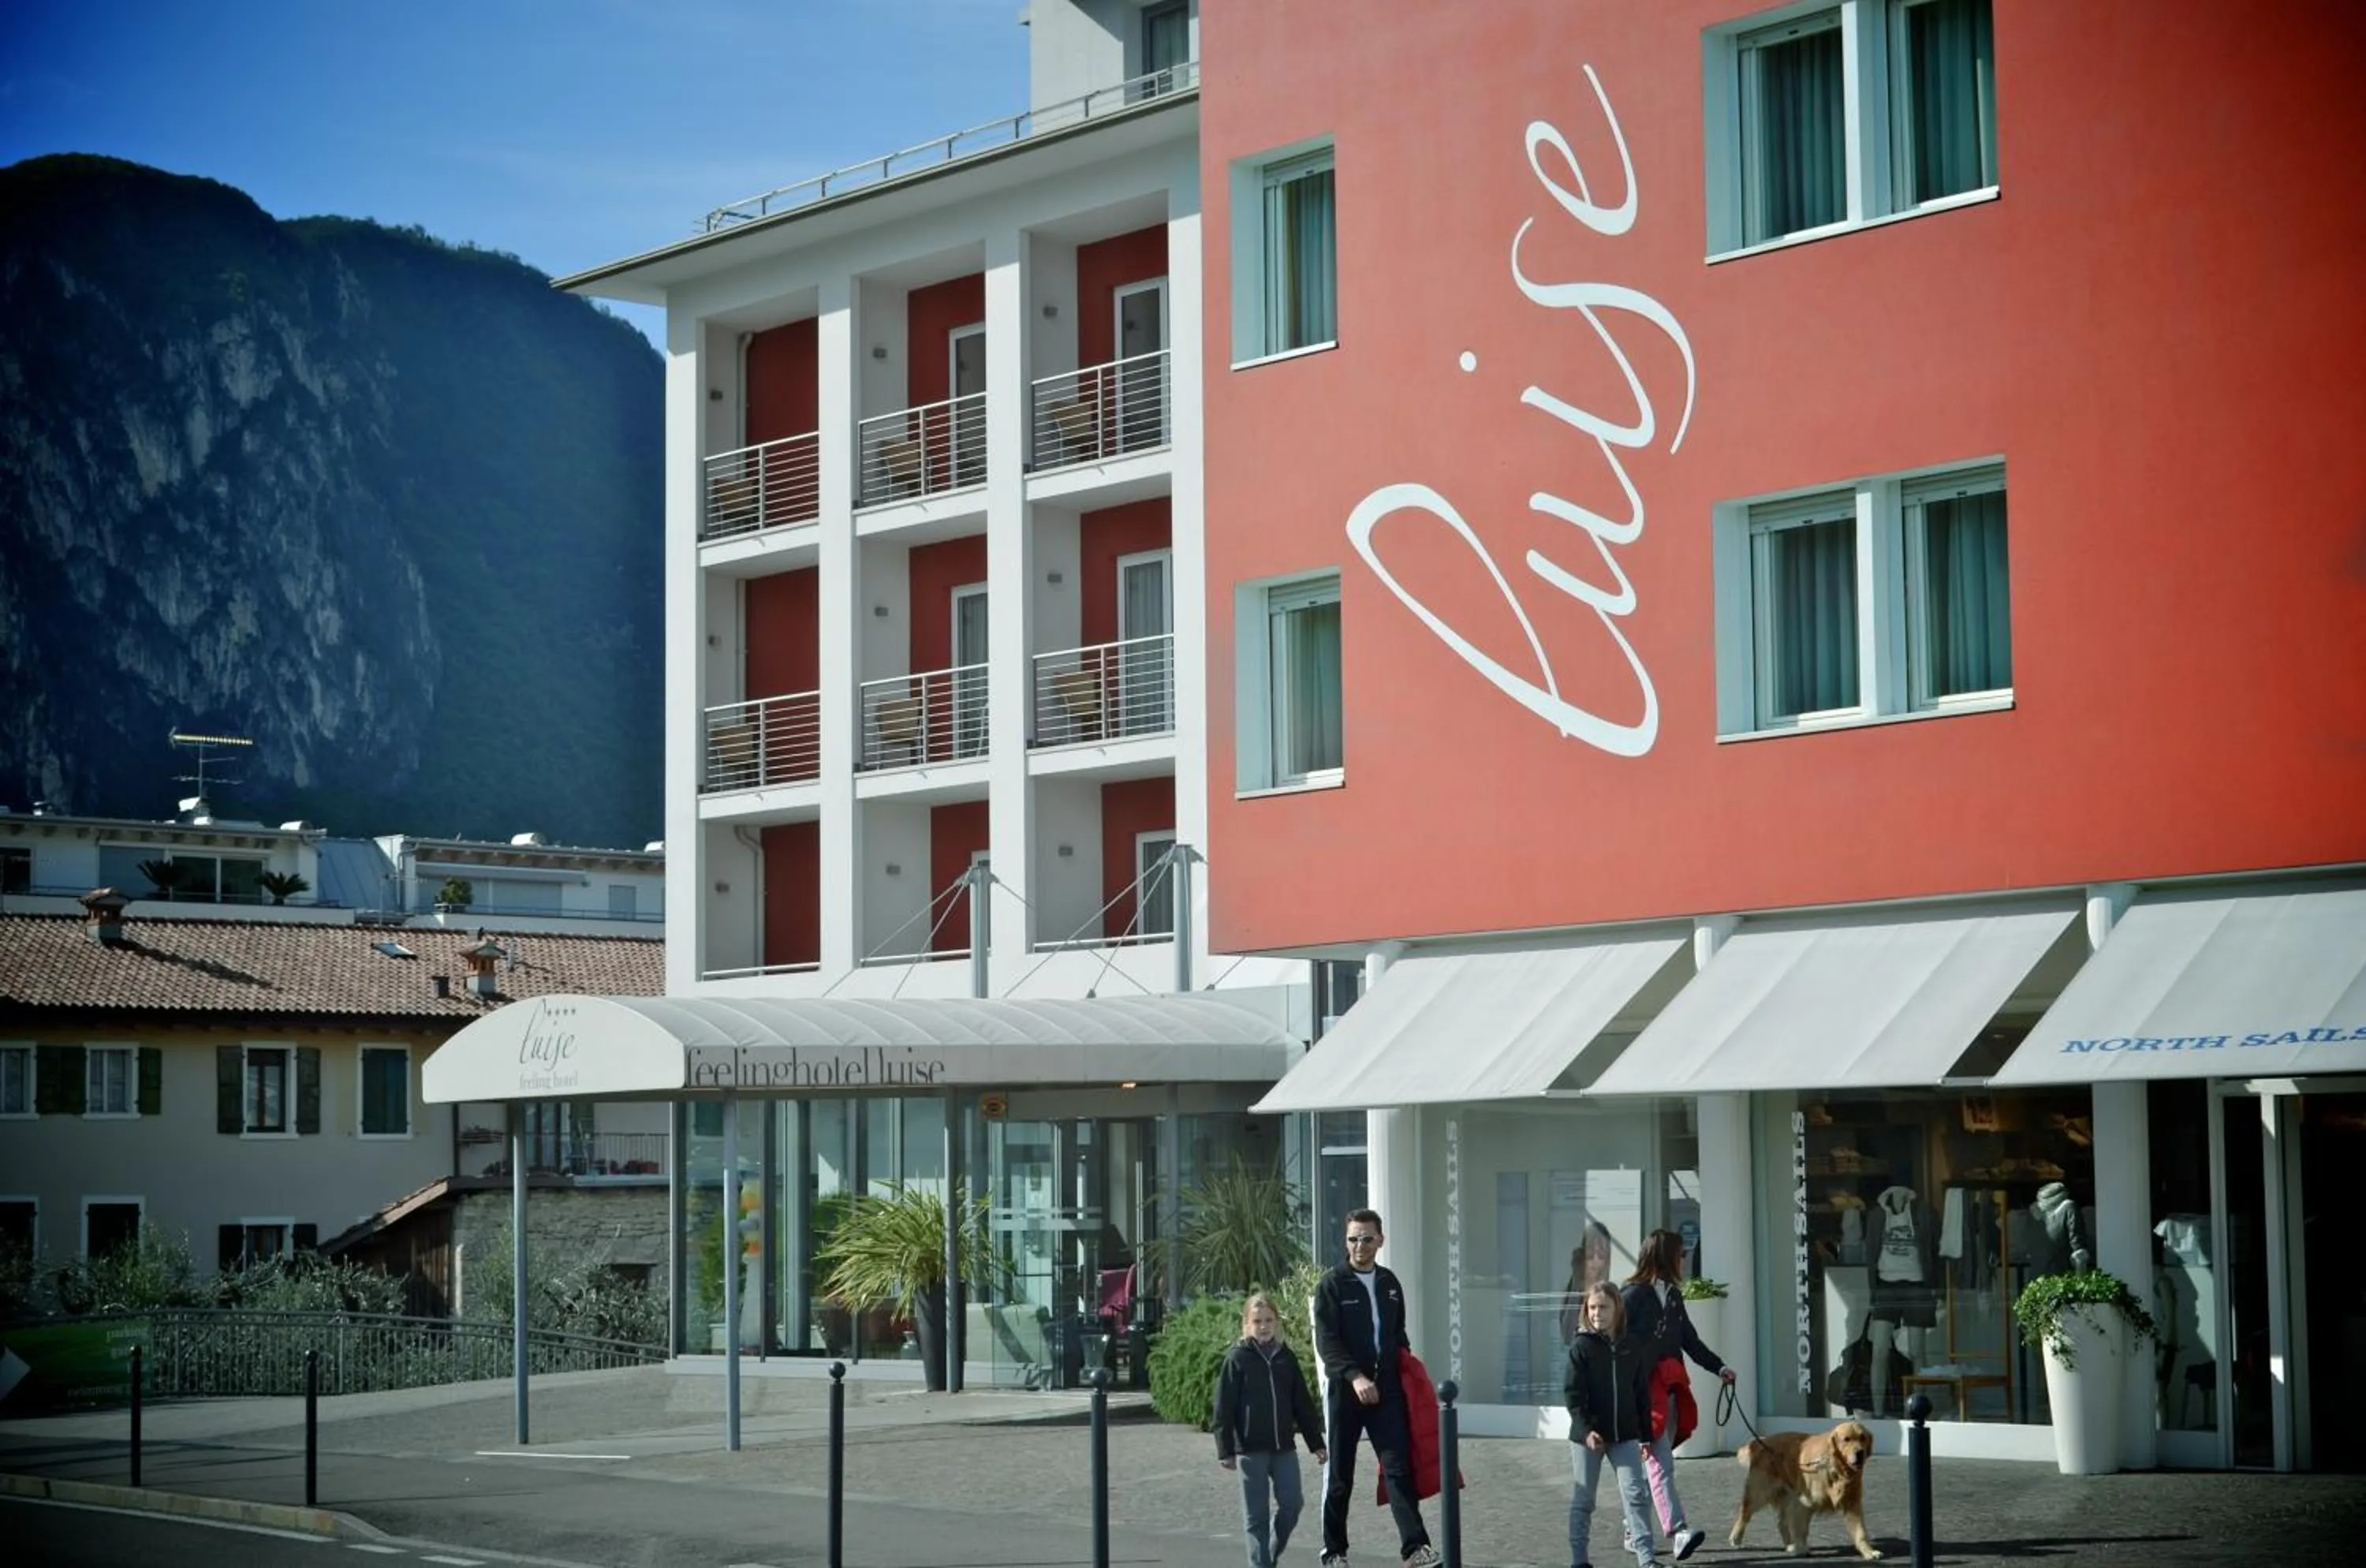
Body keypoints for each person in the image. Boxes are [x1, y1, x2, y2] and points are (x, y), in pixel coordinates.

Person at [1312, 1208, 1441, 1568]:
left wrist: (1405, 1368)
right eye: (1353, 1239)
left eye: (1367, 1238)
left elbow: (1397, 1334)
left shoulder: (1389, 1283)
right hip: (1346, 1393)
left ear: (1380, 1241)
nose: (1359, 1246)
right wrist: (1355, 1377)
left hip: (1386, 1393)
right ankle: (1334, 1551)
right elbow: (1328, 1344)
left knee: (1399, 1470)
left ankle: (1415, 1548)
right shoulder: (1332, 1285)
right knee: (1340, 1475)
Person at [1621, 1229, 1733, 1564]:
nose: (1684, 1259)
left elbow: (1690, 1341)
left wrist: (1720, 1368)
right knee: (1660, 1463)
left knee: (1651, 1466)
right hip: (1641, 1394)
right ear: (1665, 1255)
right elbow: (1616, 1345)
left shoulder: (1672, 1295)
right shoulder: (1633, 1296)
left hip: (1669, 1389)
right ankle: (1678, 1531)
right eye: (1680, 1253)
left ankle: (1632, 1529)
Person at [1215, 1292, 1329, 1568]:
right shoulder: (1237, 1359)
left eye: (1268, 1320)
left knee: (1292, 1504)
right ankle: (1261, 1564)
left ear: (1277, 1322)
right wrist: (1225, 1450)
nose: (1263, 1326)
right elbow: (1223, 1407)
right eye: (1257, 1321)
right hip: (1250, 1450)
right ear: (1246, 1324)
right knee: (1256, 1517)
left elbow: (1302, 1403)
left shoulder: (1285, 1358)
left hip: (1283, 1448)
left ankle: (1269, 1552)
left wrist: (1316, 1443)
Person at [1564, 1282, 1659, 1568]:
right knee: (1584, 1501)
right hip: (1589, 1437)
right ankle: (1579, 1561)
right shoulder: (1581, 1347)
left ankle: (1647, 1559)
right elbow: (1573, 1395)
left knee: (1636, 1496)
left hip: (1626, 1434)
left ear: (1617, 1308)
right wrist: (1585, 1430)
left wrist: (1646, 1436)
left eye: (1603, 1307)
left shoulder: (1632, 1346)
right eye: (1592, 1307)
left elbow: (1641, 1393)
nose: (1596, 1313)